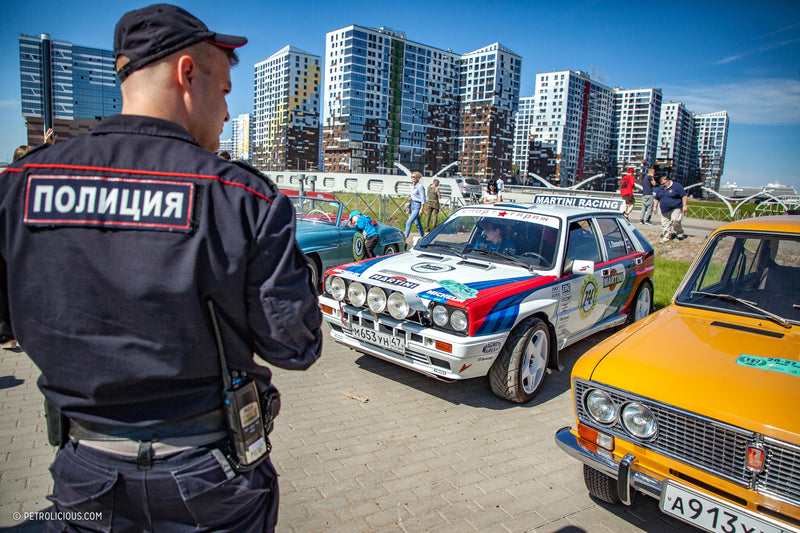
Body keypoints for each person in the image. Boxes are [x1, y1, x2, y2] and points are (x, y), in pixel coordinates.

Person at [0, 5, 321, 532]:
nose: (225, 108)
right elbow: (296, 346)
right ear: (187, 73)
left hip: (85, 476)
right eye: (223, 89)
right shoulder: (242, 196)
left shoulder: (20, 184)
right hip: (211, 482)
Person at [654, 175, 689, 243]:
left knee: (675, 220)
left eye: (664, 184)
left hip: (675, 207)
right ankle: (666, 237)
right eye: (661, 184)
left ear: (668, 181)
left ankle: (679, 232)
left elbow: (684, 196)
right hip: (664, 209)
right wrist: (655, 207)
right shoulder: (660, 188)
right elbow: (656, 198)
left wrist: (685, 206)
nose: (663, 185)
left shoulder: (677, 186)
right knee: (665, 224)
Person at [404, 171, 426, 239]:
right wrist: (411, 198)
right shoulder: (413, 186)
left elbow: (423, 198)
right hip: (412, 204)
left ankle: (405, 237)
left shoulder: (420, 187)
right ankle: (422, 236)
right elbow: (414, 195)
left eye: (414, 177)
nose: (412, 178)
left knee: (409, 222)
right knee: (417, 223)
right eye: (411, 177)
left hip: (417, 205)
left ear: (418, 178)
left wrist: (421, 209)